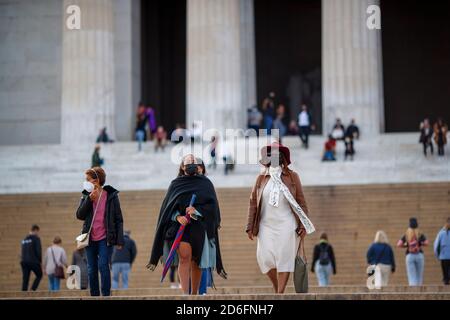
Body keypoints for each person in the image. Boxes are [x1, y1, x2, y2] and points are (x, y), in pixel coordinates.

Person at [147, 154, 227, 295]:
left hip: (200, 228)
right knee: (184, 258)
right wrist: (177, 217)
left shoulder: (206, 183)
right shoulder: (175, 184)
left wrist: (197, 210)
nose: (191, 162)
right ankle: (185, 294)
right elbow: (167, 208)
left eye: (193, 161)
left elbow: (213, 208)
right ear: (183, 167)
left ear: (197, 166)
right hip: (181, 228)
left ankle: (194, 294)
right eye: (188, 161)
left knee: (196, 262)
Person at [246, 142, 315, 293]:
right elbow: (253, 202)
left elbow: (301, 202)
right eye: (271, 154)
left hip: (287, 224)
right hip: (265, 225)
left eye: (277, 154)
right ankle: (277, 286)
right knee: (264, 259)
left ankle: (280, 292)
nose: (274, 157)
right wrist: (249, 226)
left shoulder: (292, 176)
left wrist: (303, 225)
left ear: (282, 157)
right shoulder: (261, 178)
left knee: (284, 259)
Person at [76, 167, 125, 296]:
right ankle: (95, 296)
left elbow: (119, 219)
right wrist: (89, 200)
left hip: (105, 238)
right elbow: (79, 215)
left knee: (103, 266)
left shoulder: (111, 196)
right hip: (90, 239)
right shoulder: (86, 194)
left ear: (96, 180)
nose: (85, 182)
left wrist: (119, 240)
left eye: (88, 179)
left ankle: (106, 295)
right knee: (92, 269)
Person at [397, 218, 429, 286]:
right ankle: (419, 291)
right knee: (419, 275)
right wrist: (420, 243)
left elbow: (399, 244)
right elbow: (427, 243)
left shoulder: (407, 234)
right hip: (419, 255)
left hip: (410, 255)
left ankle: (413, 291)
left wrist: (407, 245)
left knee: (411, 275)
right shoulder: (420, 234)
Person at [20, 224, 42, 291]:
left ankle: (24, 292)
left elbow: (23, 251)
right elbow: (38, 251)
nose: (38, 233)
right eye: (37, 231)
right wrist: (40, 261)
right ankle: (33, 289)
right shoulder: (36, 239)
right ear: (35, 230)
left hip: (24, 261)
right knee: (39, 275)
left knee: (25, 278)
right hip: (33, 261)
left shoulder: (24, 240)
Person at [433, 218, 450, 285]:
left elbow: (436, 246)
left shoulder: (441, 233)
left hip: (443, 256)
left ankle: (446, 280)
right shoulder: (441, 233)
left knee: (445, 274)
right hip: (444, 256)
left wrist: (437, 256)